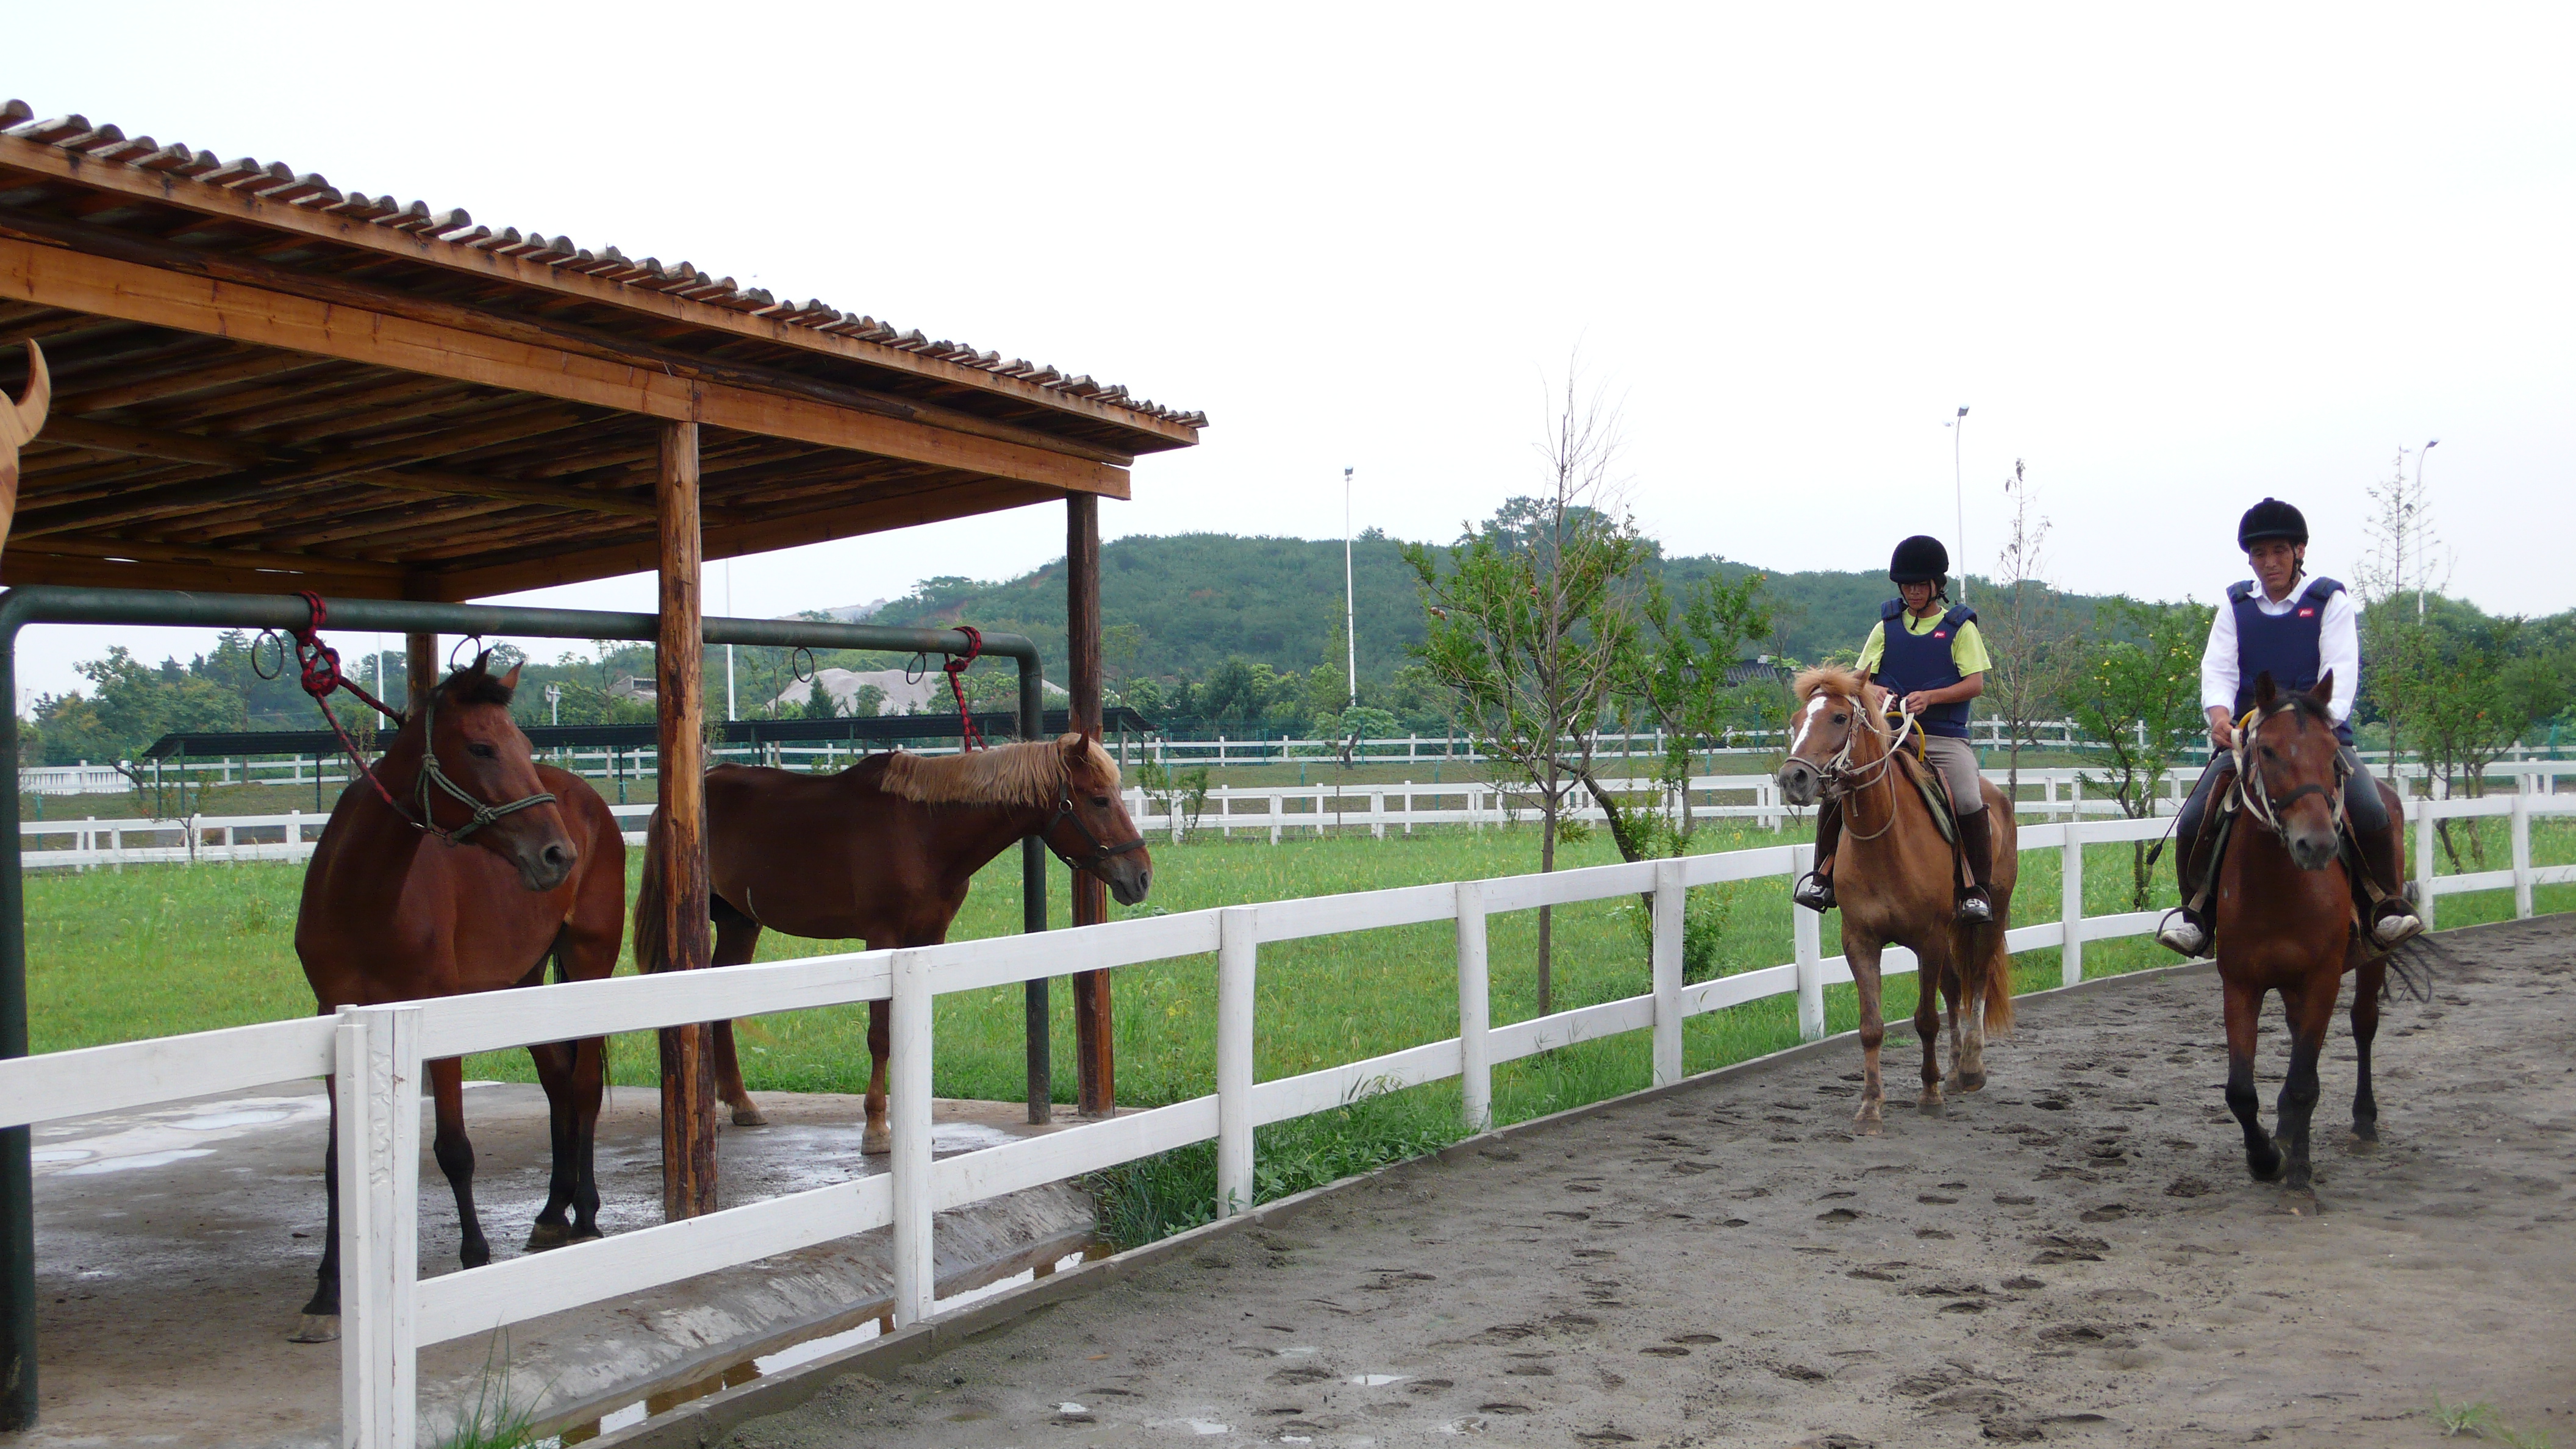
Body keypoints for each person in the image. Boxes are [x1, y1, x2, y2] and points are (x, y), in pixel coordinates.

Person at [2155, 498, 2422, 956]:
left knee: (2371, 809)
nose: (2269, 563)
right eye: (2260, 554)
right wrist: (2219, 716)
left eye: (2279, 551)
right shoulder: (2236, 606)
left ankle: (2384, 906)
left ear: (2299, 551)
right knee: (2195, 816)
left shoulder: (2328, 601)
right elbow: (2217, 671)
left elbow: (2341, 673)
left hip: (2319, 739)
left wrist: (2317, 725)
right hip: (2253, 741)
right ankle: (2197, 914)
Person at [1792, 534, 1999, 924]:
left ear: (1938, 586)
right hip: (1886, 735)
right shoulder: (1886, 626)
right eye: (1907, 586)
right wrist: (1872, 687)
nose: (1914, 592)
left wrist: (1932, 698)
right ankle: (1822, 877)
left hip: (1941, 737)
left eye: (1921, 585)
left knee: (1969, 797)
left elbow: (1975, 683)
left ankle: (1976, 890)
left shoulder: (1959, 627)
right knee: (1837, 790)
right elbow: (1858, 679)